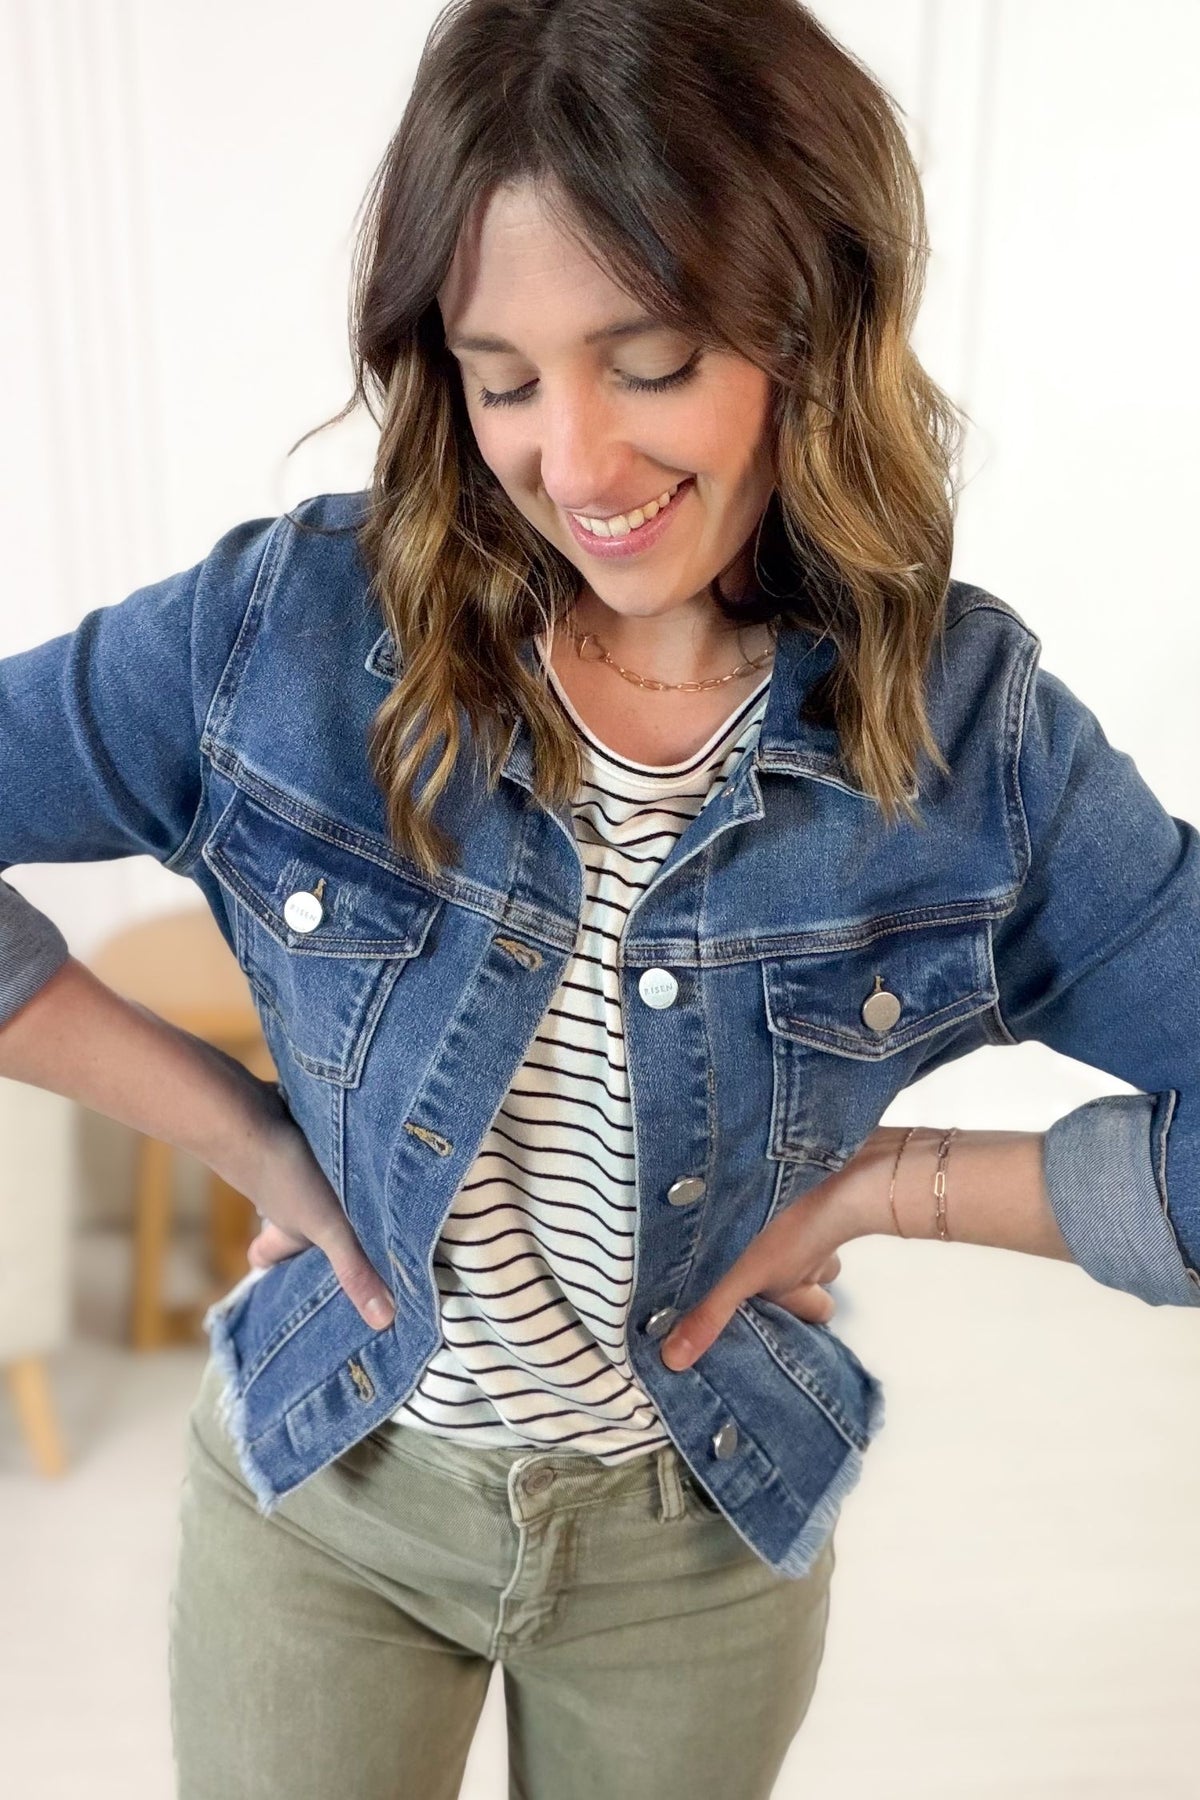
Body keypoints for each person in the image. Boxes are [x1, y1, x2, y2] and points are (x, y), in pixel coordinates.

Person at [2, 1, 1198, 1794]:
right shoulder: (285, 638)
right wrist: (248, 1137)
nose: (572, 461)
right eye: (502, 377)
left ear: (817, 317)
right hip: (332, 1490)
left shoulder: (971, 745)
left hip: (695, 1545)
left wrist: (903, 1184)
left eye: (646, 362)